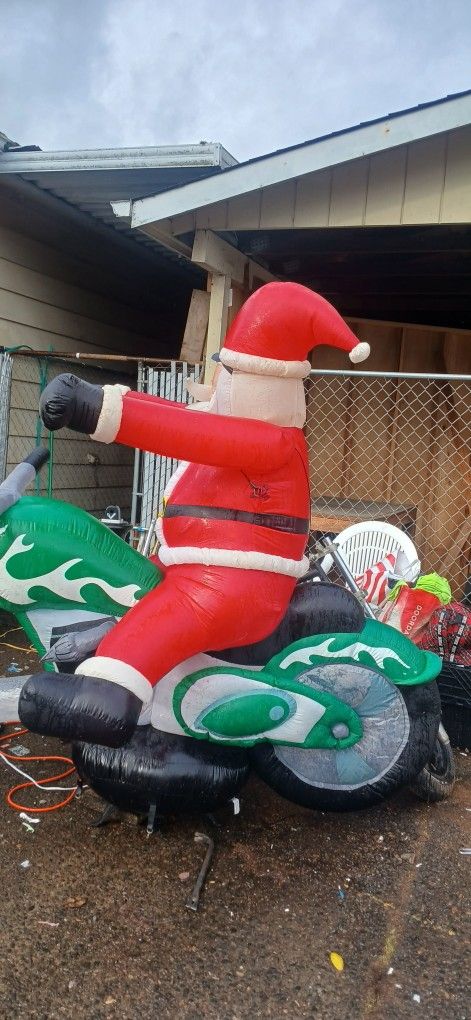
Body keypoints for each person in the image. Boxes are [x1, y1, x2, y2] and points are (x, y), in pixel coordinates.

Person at [19, 282, 369, 747]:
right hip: (196, 566)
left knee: (157, 623)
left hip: (230, 585)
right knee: (124, 582)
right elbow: (182, 415)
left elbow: (184, 429)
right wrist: (99, 401)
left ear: (257, 383)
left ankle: (106, 700)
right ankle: (95, 649)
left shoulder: (270, 440)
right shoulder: (243, 427)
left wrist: (92, 407)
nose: (220, 380)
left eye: (230, 373)